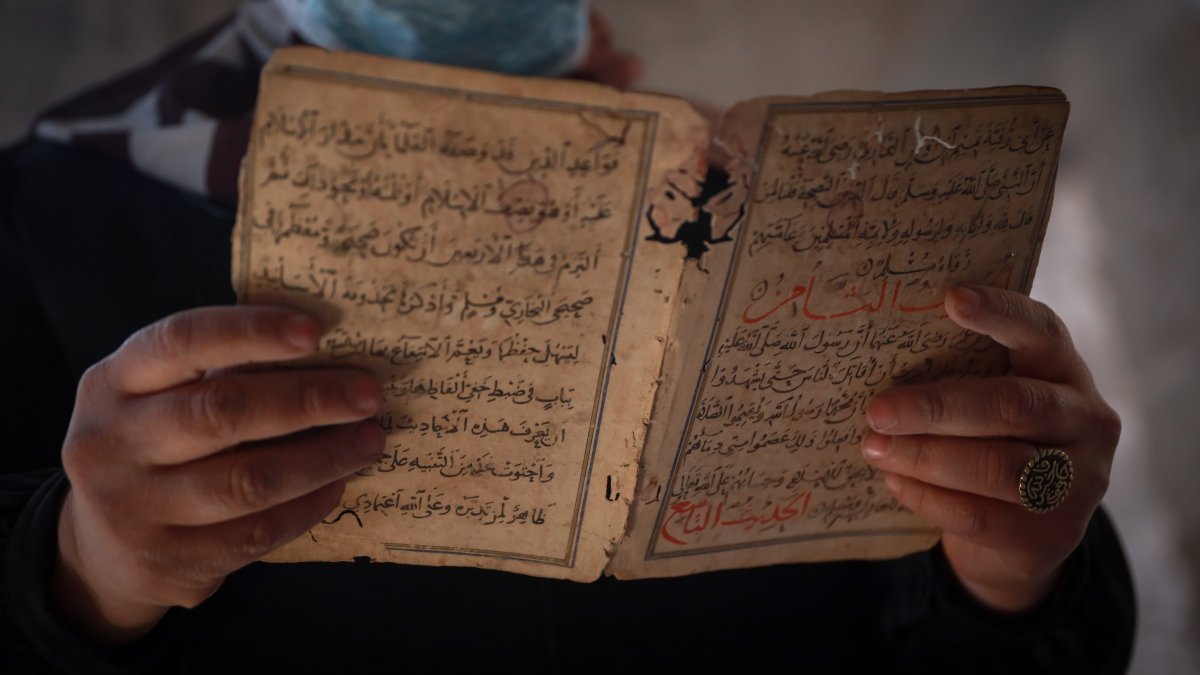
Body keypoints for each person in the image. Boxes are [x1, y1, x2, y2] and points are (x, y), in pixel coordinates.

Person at [0, 1, 1135, 672]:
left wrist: (1021, 570)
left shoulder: (756, 208)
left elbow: (984, 616)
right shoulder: (46, 216)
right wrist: (88, 574)